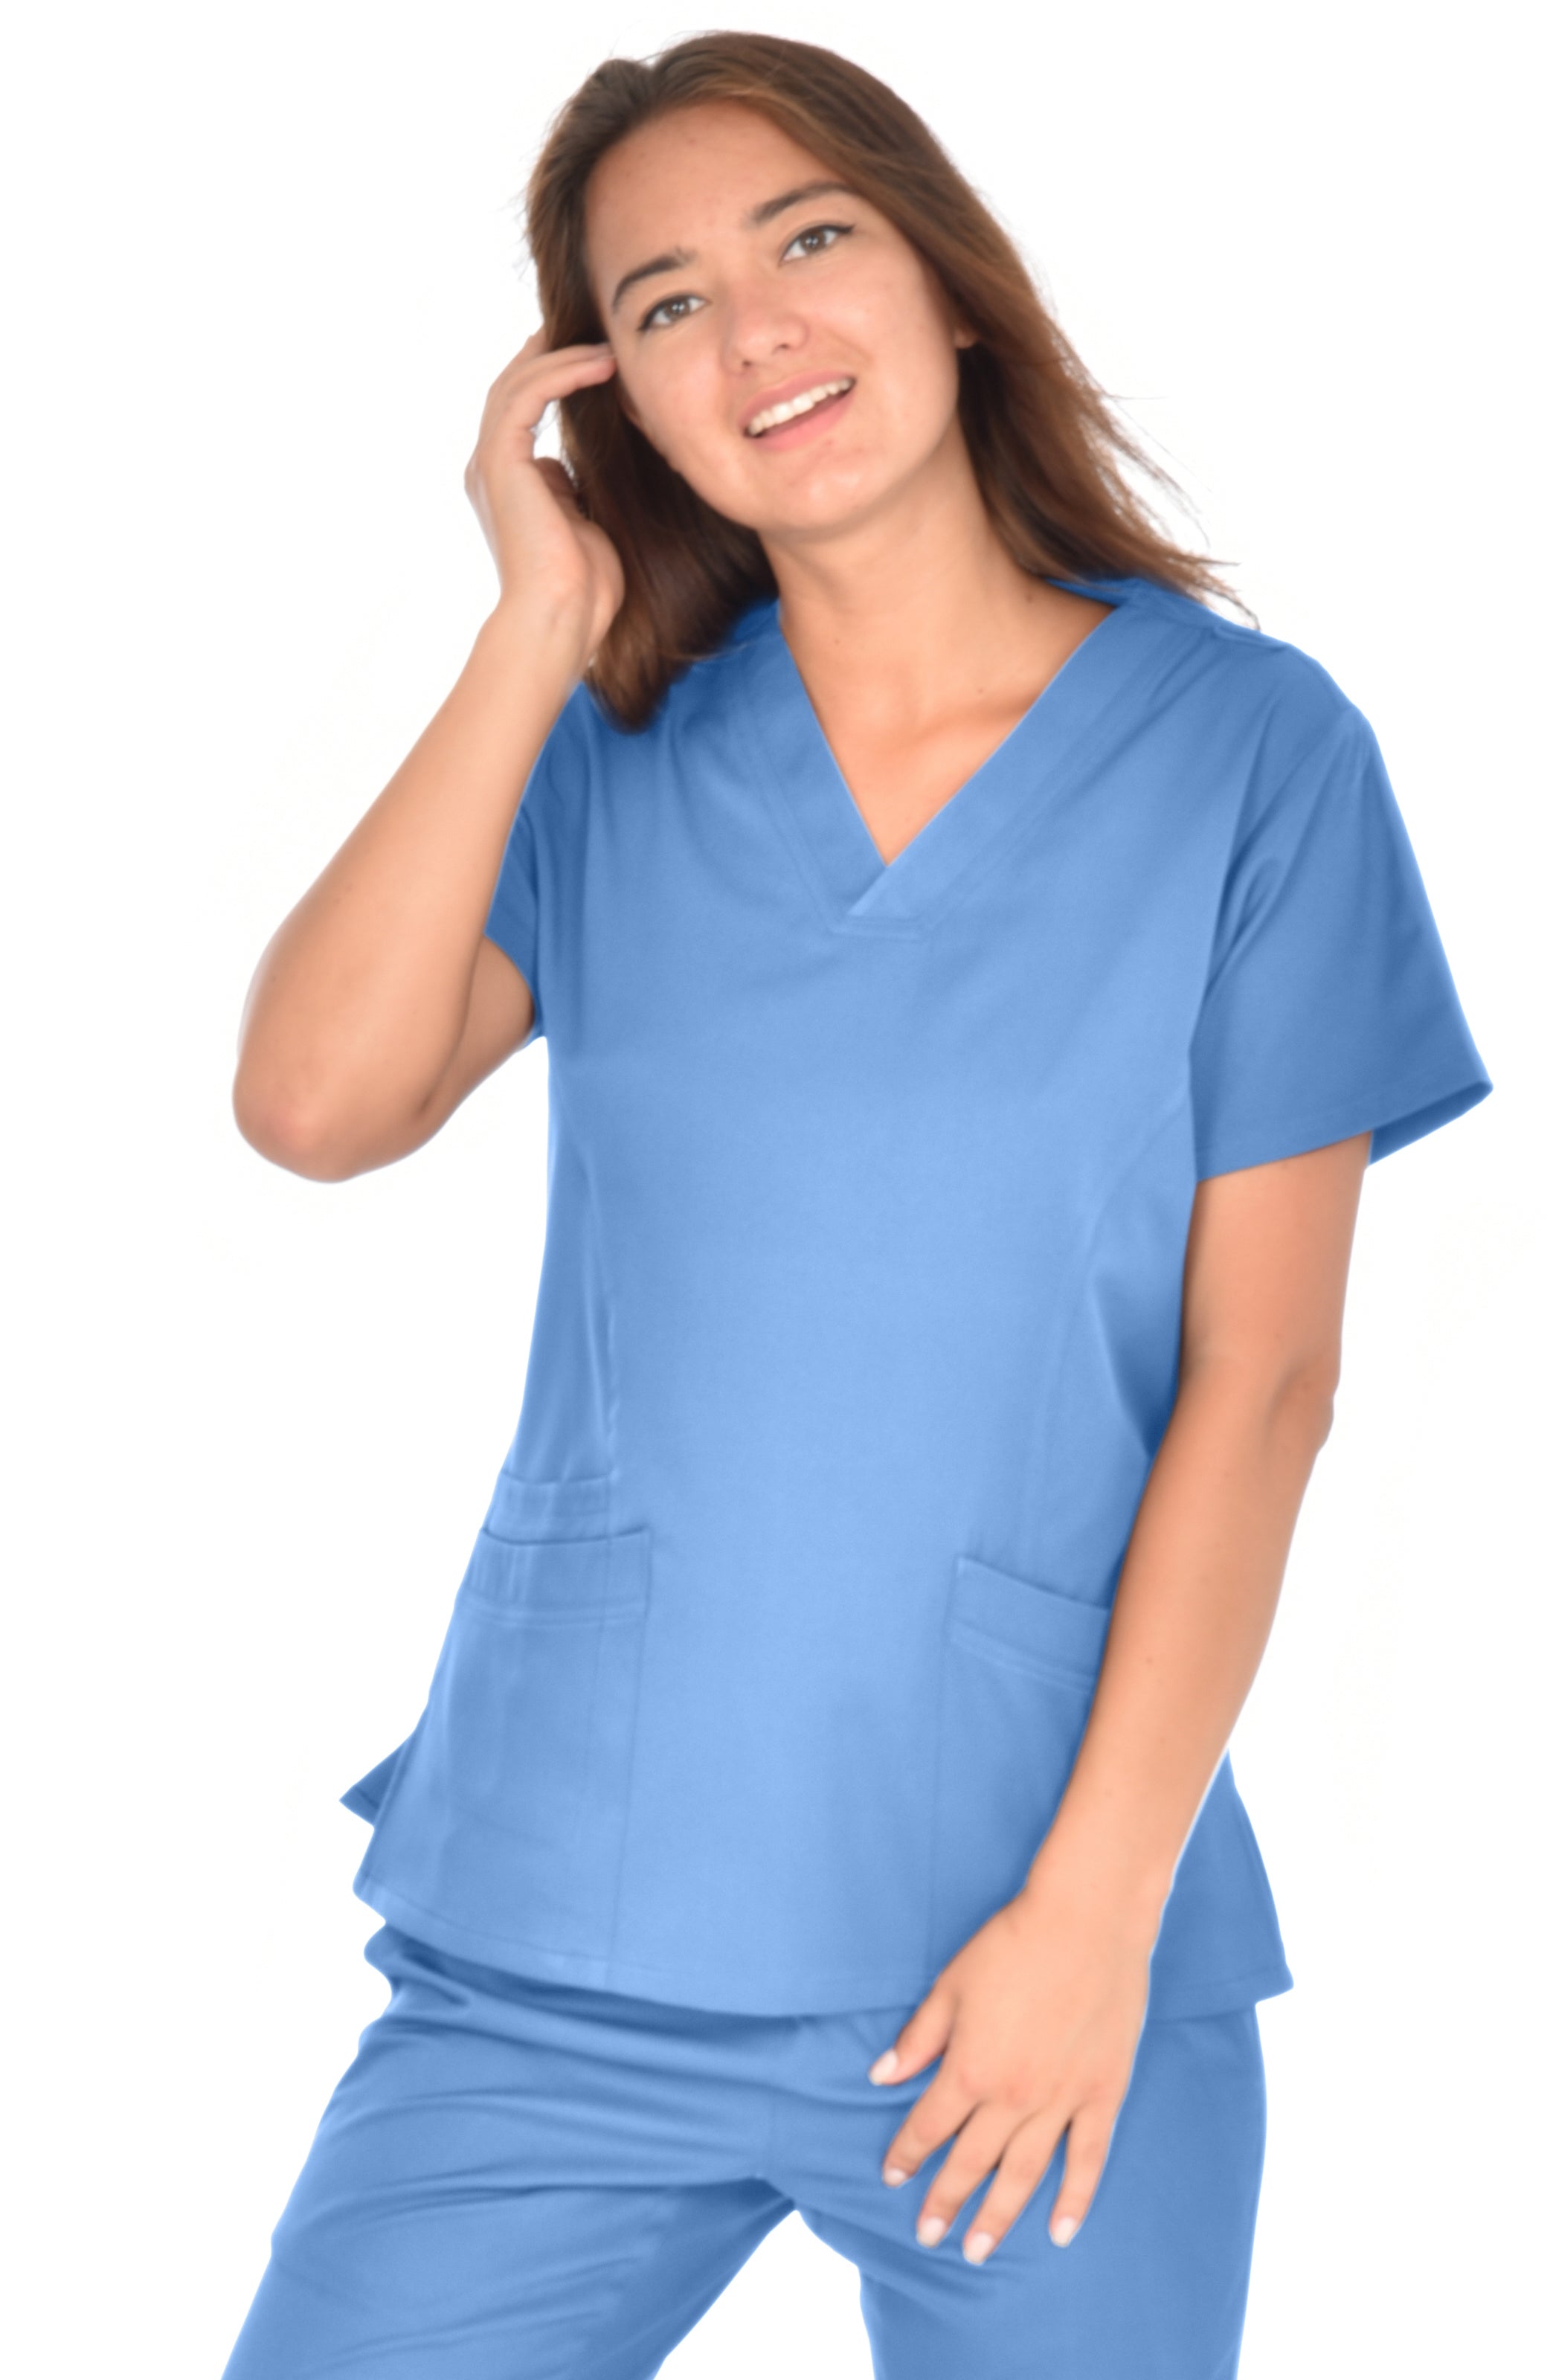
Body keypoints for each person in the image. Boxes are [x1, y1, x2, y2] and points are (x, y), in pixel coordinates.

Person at [219, 32, 1491, 2380]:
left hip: (1034, 1947)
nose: (759, 330)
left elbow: (1268, 1380)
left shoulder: (1251, 757)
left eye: (810, 240)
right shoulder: (610, 750)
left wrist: (1092, 1918)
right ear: (617, 397)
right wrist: (531, 624)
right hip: (562, 1937)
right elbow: (312, 1103)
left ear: (950, 281)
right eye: (668, 303)